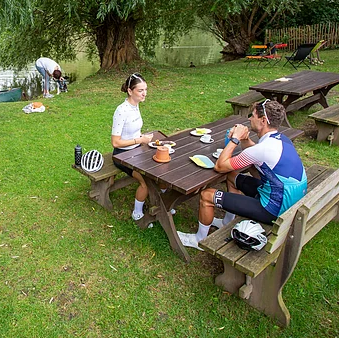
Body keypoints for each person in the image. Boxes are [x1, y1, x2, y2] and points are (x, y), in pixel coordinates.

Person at [177, 100, 307, 250]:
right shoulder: (281, 139)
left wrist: (235, 139)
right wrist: (245, 140)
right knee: (232, 176)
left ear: (263, 120)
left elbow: (220, 166)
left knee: (207, 195)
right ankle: (227, 222)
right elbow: (256, 152)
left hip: (274, 210)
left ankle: (199, 240)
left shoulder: (263, 150)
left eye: (253, 115)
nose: (250, 119)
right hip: (287, 199)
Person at [111, 73, 155, 221]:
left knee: (161, 168)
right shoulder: (121, 110)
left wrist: (144, 139)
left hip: (138, 150)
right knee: (146, 180)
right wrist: (139, 139)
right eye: (140, 90)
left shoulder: (135, 106)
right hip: (122, 155)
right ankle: (137, 213)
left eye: (146, 90)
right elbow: (116, 142)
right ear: (130, 91)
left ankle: (162, 204)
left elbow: (133, 131)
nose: (145, 94)